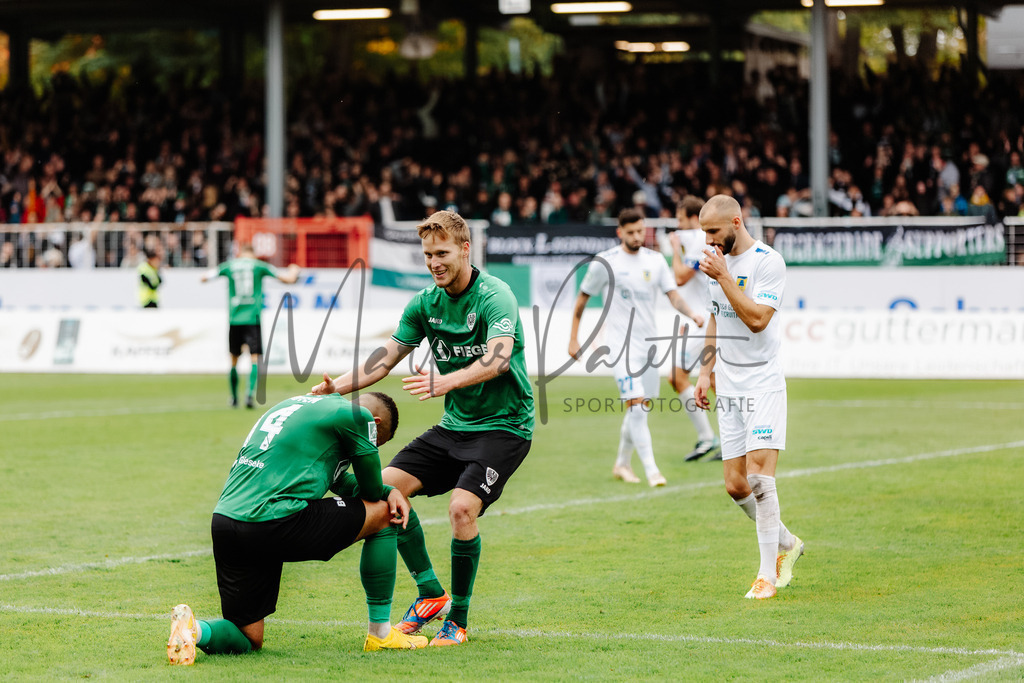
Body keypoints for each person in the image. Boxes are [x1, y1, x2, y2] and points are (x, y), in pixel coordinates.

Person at [311, 209, 534, 647]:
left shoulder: (495, 296)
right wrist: (335, 387)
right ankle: (431, 593)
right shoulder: (424, 302)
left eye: (443, 253)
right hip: (455, 426)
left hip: (505, 428)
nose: (435, 262)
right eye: (428, 254)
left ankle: (460, 621)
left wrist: (445, 381)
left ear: (465, 249)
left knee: (460, 509)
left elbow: (499, 358)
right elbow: (386, 358)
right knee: (379, 492)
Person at [166, 391, 427, 666]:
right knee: (385, 513)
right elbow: (372, 489)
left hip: (226, 521)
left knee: (248, 638)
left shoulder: (299, 405)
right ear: (374, 423)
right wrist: (390, 491)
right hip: (274, 519)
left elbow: (337, 481)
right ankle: (381, 634)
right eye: (376, 442)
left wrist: (385, 489)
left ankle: (193, 630)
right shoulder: (358, 417)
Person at [694, 194, 803, 600]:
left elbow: (758, 320)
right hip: (729, 382)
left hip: (763, 381)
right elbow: (714, 317)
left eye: (713, 231)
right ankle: (787, 543)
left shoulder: (767, 262)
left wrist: (723, 275)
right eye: (704, 232)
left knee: (759, 478)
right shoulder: (714, 263)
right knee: (735, 485)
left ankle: (766, 575)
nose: (708, 240)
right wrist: (705, 371)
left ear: (736, 222)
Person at [568, 208, 705, 487]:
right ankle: (653, 471)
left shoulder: (655, 261)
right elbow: (581, 300)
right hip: (620, 347)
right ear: (620, 233)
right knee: (638, 407)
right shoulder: (605, 262)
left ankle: (621, 463)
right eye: (630, 232)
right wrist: (573, 338)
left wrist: (693, 314)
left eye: (640, 231)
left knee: (639, 408)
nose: (636, 236)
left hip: (648, 347)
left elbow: (673, 295)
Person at [201, 245, 300, 408]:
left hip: (235, 319)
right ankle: (249, 395)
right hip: (252, 319)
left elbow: (205, 277)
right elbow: (288, 279)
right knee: (255, 358)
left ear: (240, 254)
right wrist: (294, 271)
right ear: (253, 254)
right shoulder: (259, 265)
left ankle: (233, 398)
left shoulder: (230, 265)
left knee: (233, 360)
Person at [666, 196, 721, 462]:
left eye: (680, 220)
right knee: (713, 381)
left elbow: (679, 276)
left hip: (702, 321)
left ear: (691, 218)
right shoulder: (700, 241)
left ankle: (708, 438)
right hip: (701, 319)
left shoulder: (700, 241)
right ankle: (734, 438)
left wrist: (675, 248)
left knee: (677, 377)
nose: (677, 226)